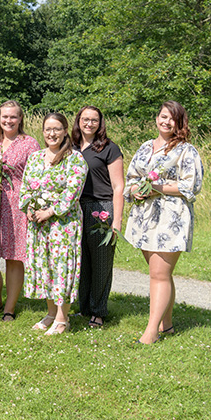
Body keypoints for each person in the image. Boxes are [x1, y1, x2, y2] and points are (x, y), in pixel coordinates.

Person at [124, 101, 204, 344]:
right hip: (144, 218)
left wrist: (155, 187)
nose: (166, 122)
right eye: (163, 116)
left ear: (179, 123)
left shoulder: (185, 150)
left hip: (171, 219)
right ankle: (166, 324)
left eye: (172, 118)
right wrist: (136, 190)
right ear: (156, 118)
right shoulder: (146, 146)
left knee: (158, 274)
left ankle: (151, 332)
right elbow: (131, 177)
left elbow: (191, 185)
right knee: (161, 274)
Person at [19, 113, 87, 335]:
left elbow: (72, 192)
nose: (52, 133)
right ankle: (50, 313)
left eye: (57, 129)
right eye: (48, 129)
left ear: (66, 130)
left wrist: (50, 211)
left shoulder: (74, 158)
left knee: (61, 267)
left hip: (63, 223)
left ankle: (62, 318)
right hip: (39, 223)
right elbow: (26, 187)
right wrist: (29, 208)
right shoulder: (36, 157)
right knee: (45, 266)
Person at [0, 100, 40, 322]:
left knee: (14, 258)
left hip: (17, 205)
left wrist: (32, 203)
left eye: (13, 117)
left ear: (20, 118)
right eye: (4, 117)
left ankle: (9, 309)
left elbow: (36, 176)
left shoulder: (30, 143)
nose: (8, 120)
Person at [71, 106, 124, 328]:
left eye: (94, 120)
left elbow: (119, 185)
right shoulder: (70, 146)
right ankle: (83, 308)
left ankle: (98, 311)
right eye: (85, 119)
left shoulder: (109, 148)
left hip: (101, 208)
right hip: (75, 209)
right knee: (80, 261)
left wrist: (117, 221)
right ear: (79, 121)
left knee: (101, 263)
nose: (89, 123)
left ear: (100, 123)